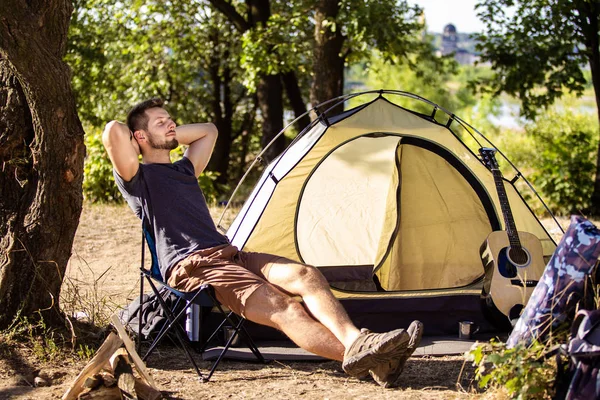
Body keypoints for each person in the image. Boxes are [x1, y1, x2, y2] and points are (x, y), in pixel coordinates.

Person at [103, 98, 423, 388]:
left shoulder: (186, 169)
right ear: (139, 138)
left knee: (305, 275)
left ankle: (360, 343)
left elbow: (209, 131)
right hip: (196, 266)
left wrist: (165, 131)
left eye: (171, 119)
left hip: (231, 254)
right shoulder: (137, 179)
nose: (171, 124)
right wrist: (142, 134)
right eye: (161, 122)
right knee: (285, 307)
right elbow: (113, 130)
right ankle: (371, 359)